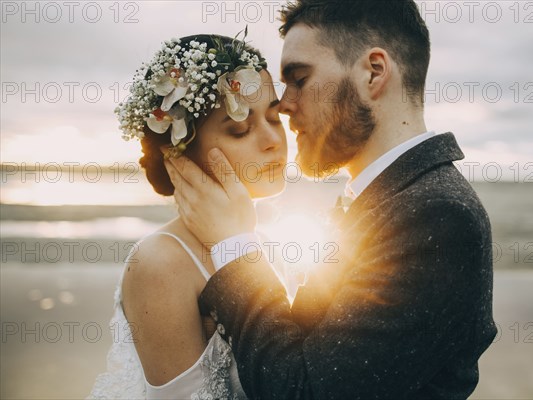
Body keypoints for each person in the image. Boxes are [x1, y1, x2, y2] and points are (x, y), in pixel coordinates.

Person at [165, 0, 498, 399]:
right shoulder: (380, 198)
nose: (284, 105)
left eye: (300, 79)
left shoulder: (437, 216)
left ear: (373, 73)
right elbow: (308, 349)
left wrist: (235, 246)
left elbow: (304, 392)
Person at [88, 33, 288, 399]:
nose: (273, 140)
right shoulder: (161, 261)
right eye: (240, 129)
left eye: (274, 117)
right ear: (180, 152)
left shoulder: (259, 238)